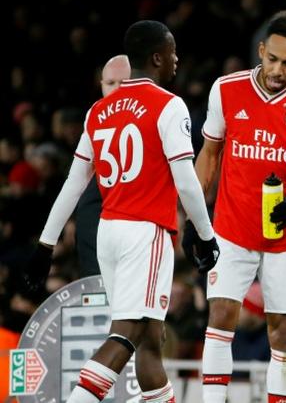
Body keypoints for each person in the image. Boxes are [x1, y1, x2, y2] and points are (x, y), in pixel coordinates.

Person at [22, 20, 219, 403]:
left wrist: (45, 245)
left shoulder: (99, 111)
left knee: (150, 337)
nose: (178, 59)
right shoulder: (168, 104)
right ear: (158, 57)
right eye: (173, 51)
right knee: (127, 333)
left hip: (107, 234)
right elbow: (186, 180)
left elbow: (72, 185)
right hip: (145, 232)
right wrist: (207, 234)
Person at [192, 10, 286, 403]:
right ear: (261, 50)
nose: (277, 69)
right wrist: (193, 214)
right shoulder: (225, 90)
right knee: (221, 316)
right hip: (231, 227)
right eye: (271, 58)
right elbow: (209, 153)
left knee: (284, 332)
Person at [75, 54, 131, 277]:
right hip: (101, 207)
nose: (117, 90)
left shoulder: (161, 112)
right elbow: (75, 182)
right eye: (110, 84)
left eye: (124, 83)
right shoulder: (95, 116)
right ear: (101, 85)